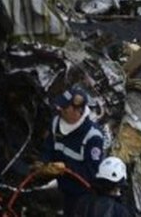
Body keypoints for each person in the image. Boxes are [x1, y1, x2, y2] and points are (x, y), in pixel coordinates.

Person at [40, 85, 106, 215]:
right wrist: (44, 163)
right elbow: (48, 147)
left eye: (65, 108)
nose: (60, 109)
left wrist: (66, 168)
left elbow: (91, 172)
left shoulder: (93, 137)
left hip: (81, 194)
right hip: (60, 186)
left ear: (78, 110)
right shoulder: (56, 123)